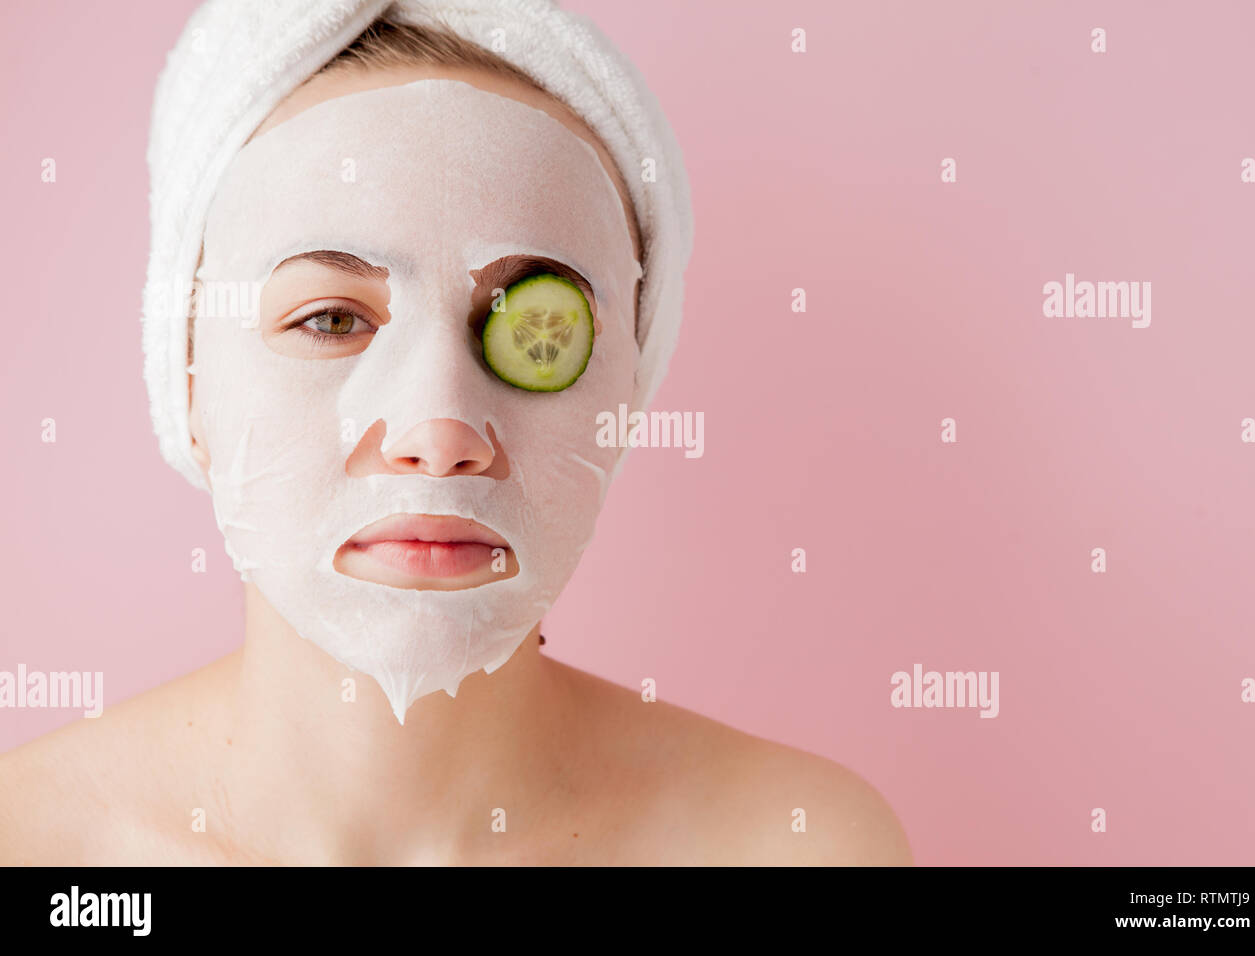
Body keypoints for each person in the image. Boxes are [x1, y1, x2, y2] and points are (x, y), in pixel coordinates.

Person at [0, 3, 911, 866]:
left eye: (528, 331)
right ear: (187, 381)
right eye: (330, 320)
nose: (439, 436)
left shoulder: (797, 847)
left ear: (627, 391)